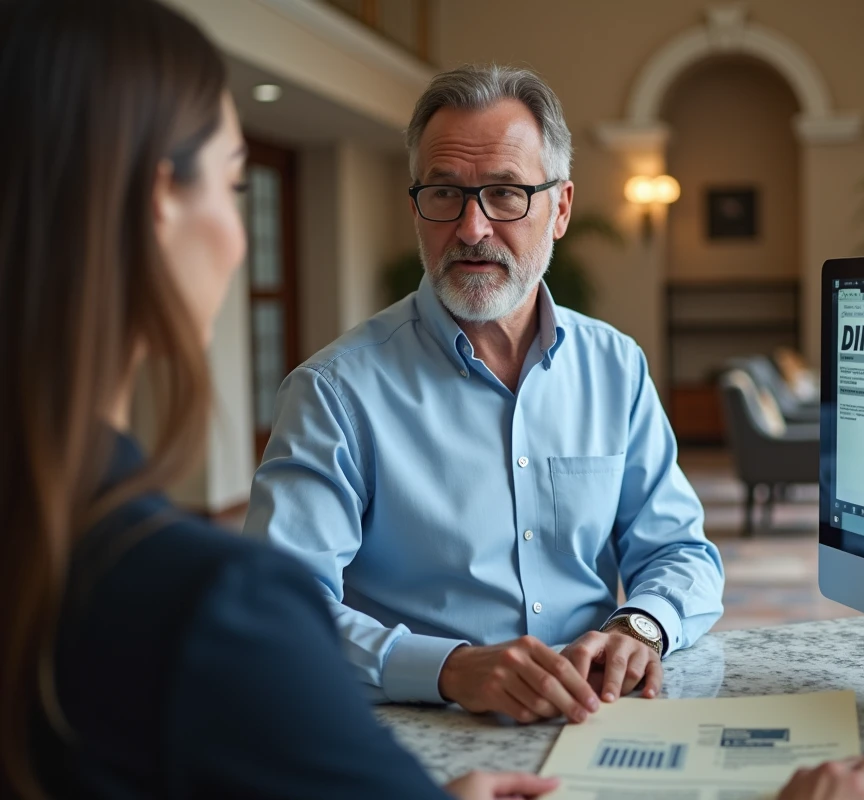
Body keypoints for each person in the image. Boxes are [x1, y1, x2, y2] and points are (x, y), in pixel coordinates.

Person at [0, 1, 552, 797]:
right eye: (231, 181)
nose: (239, 233)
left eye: (505, 194)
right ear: (160, 203)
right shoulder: (213, 607)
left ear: (556, 207)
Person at [245, 64, 726, 726]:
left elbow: (681, 551)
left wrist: (640, 627)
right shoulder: (334, 393)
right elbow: (277, 609)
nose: (472, 228)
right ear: (416, 207)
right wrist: (446, 668)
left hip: (595, 720)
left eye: (505, 194)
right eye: (444, 193)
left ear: (560, 209)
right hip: (417, 735)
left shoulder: (616, 366)